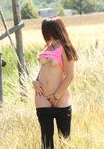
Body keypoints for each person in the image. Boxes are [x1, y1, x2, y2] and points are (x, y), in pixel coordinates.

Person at [32, 17, 78, 148]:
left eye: (47, 31)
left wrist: (56, 95)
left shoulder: (65, 47)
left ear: (55, 30)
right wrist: (34, 81)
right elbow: (43, 70)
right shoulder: (47, 47)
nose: (46, 34)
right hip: (42, 97)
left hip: (60, 97)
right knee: (46, 140)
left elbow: (69, 76)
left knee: (64, 140)